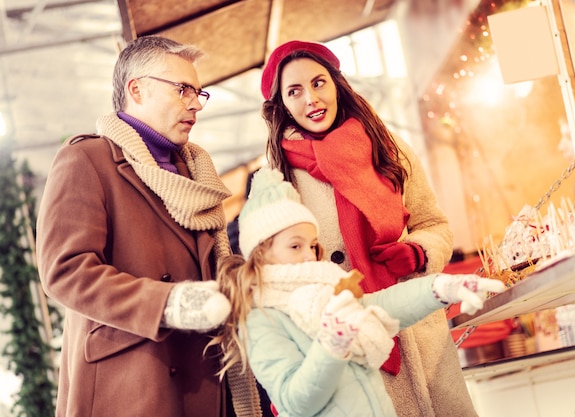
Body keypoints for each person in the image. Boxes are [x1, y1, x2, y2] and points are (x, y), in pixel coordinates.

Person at [35, 36, 261, 417]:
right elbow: (65, 271)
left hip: (205, 378)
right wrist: (169, 303)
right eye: (183, 89)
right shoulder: (86, 159)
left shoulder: (195, 173)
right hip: (132, 384)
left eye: (199, 93)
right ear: (135, 89)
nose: (195, 103)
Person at [259, 39, 476, 416]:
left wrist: (419, 251)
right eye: (294, 91)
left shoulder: (388, 149)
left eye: (318, 82)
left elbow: (433, 223)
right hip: (349, 343)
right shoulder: (276, 180)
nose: (311, 98)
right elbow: (275, 277)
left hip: (420, 333)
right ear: (282, 105)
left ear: (337, 85)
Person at [211, 167, 505, 417]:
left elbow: (381, 305)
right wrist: (331, 345)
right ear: (260, 253)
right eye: (294, 245)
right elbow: (293, 399)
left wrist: (439, 288)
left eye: (312, 245)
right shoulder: (260, 316)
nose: (308, 256)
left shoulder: (324, 287)